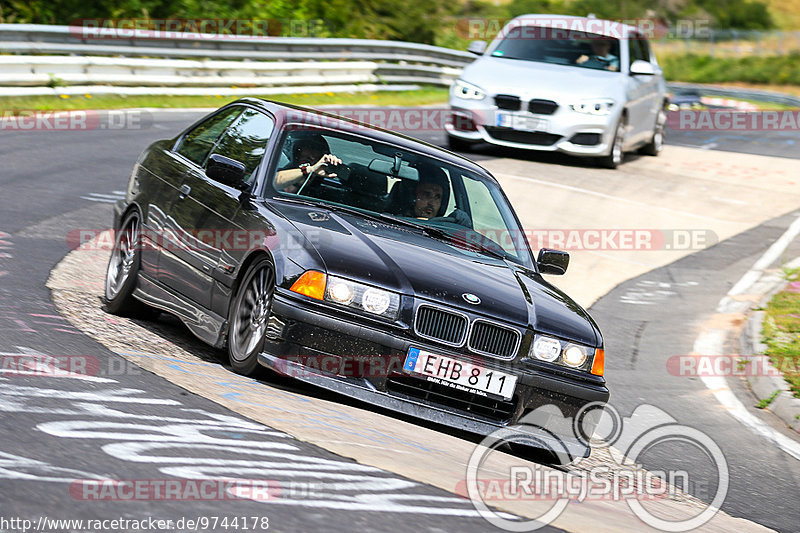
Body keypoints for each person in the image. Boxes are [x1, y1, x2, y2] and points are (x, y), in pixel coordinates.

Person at [274, 132, 342, 194]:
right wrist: (309, 170)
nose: (312, 155)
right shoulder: (278, 174)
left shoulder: (321, 194)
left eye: (317, 150)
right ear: (296, 153)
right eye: (307, 147)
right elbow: (274, 181)